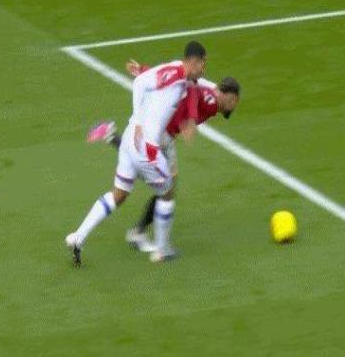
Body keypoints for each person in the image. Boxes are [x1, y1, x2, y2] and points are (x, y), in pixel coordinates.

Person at [65, 41, 207, 265]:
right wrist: (140, 120)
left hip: (131, 141)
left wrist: (141, 69)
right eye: (203, 64)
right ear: (194, 61)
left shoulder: (180, 75)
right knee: (168, 191)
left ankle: (77, 237)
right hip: (145, 145)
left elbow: (151, 76)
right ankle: (162, 250)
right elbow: (141, 82)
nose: (204, 69)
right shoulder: (176, 73)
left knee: (119, 194)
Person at [88, 62, 241, 252]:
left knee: (157, 176)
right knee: (166, 185)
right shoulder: (211, 101)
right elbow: (191, 88)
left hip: (158, 126)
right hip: (162, 133)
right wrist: (190, 119)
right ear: (230, 96)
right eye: (234, 102)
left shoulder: (209, 89)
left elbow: (181, 78)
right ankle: (139, 233)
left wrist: (144, 70)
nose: (233, 107)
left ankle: (112, 137)